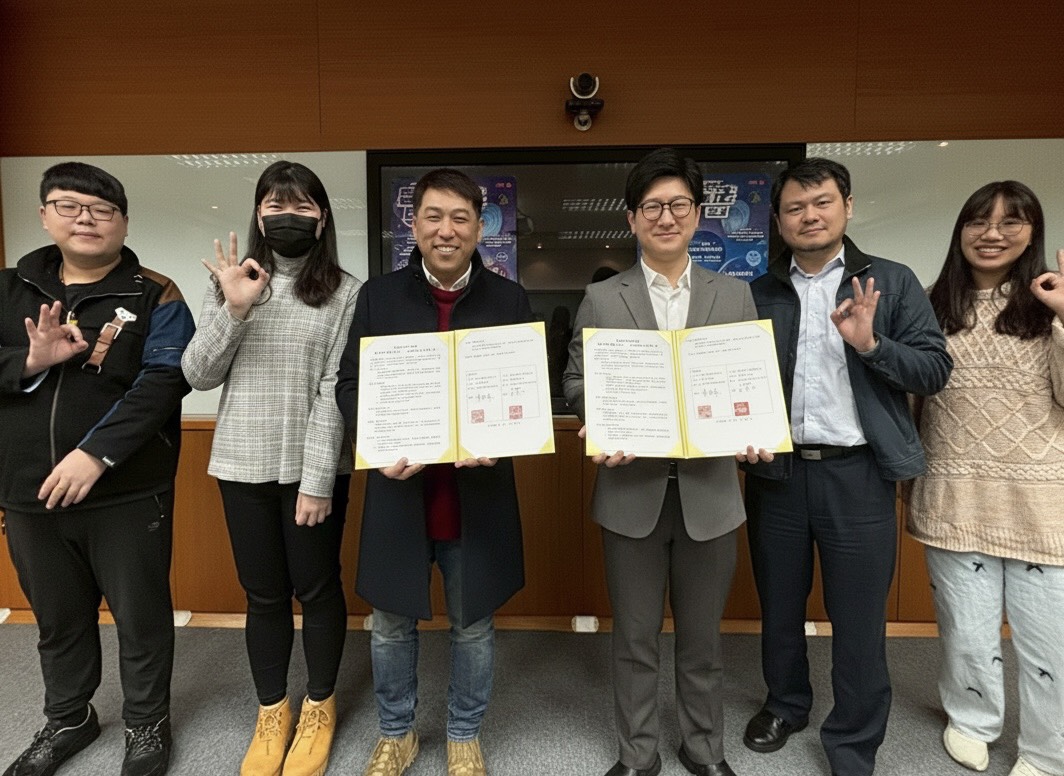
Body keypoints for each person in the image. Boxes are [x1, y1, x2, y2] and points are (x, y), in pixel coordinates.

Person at [740, 157, 952, 776]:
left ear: (847, 207)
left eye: (822, 202)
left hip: (858, 474)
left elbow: (934, 370)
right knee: (779, 605)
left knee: (858, 618)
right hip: (776, 474)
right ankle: (786, 704)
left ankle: (854, 740)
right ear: (779, 220)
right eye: (795, 207)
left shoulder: (891, 281)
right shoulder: (756, 292)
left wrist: (872, 345)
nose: (810, 216)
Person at [563, 147, 772, 776]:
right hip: (631, 492)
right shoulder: (603, 297)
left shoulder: (734, 294)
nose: (666, 217)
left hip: (711, 494)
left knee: (703, 641)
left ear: (698, 214)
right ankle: (638, 754)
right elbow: (575, 379)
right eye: (651, 206)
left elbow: (751, 380)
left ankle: (704, 749)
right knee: (634, 639)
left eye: (678, 204)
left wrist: (754, 428)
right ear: (632, 218)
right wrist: (599, 416)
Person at [0, 162, 195, 776]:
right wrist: (28, 362)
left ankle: (147, 723)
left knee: (141, 619)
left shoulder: (156, 293)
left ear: (123, 222)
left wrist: (96, 453)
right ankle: (68, 718)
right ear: (44, 215)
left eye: (102, 209)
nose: (86, 218)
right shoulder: (8, 289)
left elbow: (166, 380)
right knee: (57, 619)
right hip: (28, 492)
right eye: (69, 205)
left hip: (127, 491)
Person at [336, 168, 531, 776]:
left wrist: (505, 440)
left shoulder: (509, 300)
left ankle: (464, 734)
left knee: (472, 625)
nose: (447, 230)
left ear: (480, 228)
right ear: (413, 224)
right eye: (433, 216)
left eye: (460, 218)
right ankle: (396, 734)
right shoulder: (379, 297)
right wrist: (375, 441)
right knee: (390, 624)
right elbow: (350, 383)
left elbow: (525, 389)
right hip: (401, 489)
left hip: (476, 491)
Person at [181, 161, 361, 776]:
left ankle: (319, 706)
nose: (289, 216)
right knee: (262, 595)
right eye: (276, 205)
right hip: (241, 462)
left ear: (322, 218)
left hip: (312, 469)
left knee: (318, 588)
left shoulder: (345, 291)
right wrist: (234, 309)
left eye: (302, 205)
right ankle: (271, 710)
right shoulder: (231, 282)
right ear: (259, 216)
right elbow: (198, 374)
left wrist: (317, 479)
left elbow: (333, 388)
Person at [907, 181, 1064, 776]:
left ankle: (1048, 750)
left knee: (1049, 641)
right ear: (961, 230)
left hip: (1040, 501)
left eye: (1011, 221)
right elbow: (914, 401)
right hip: (955, 494)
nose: (992, 233)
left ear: (1033, 231)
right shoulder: (930, 304)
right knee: (966, 631)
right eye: (979, 220)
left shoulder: (1049, 302)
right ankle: (971, 721)